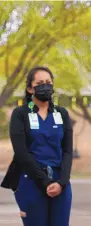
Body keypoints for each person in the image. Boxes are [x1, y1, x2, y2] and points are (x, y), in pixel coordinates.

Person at [1, 66, 73, 226]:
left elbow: (67, 151)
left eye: (48, 82)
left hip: (60, 181)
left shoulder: (61, 113)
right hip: (31, 180)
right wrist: (45, 182)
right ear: (29, 88)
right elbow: (21, 152)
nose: (45, 86)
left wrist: (62, 182)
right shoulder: (21, 114)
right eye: (40, 82)